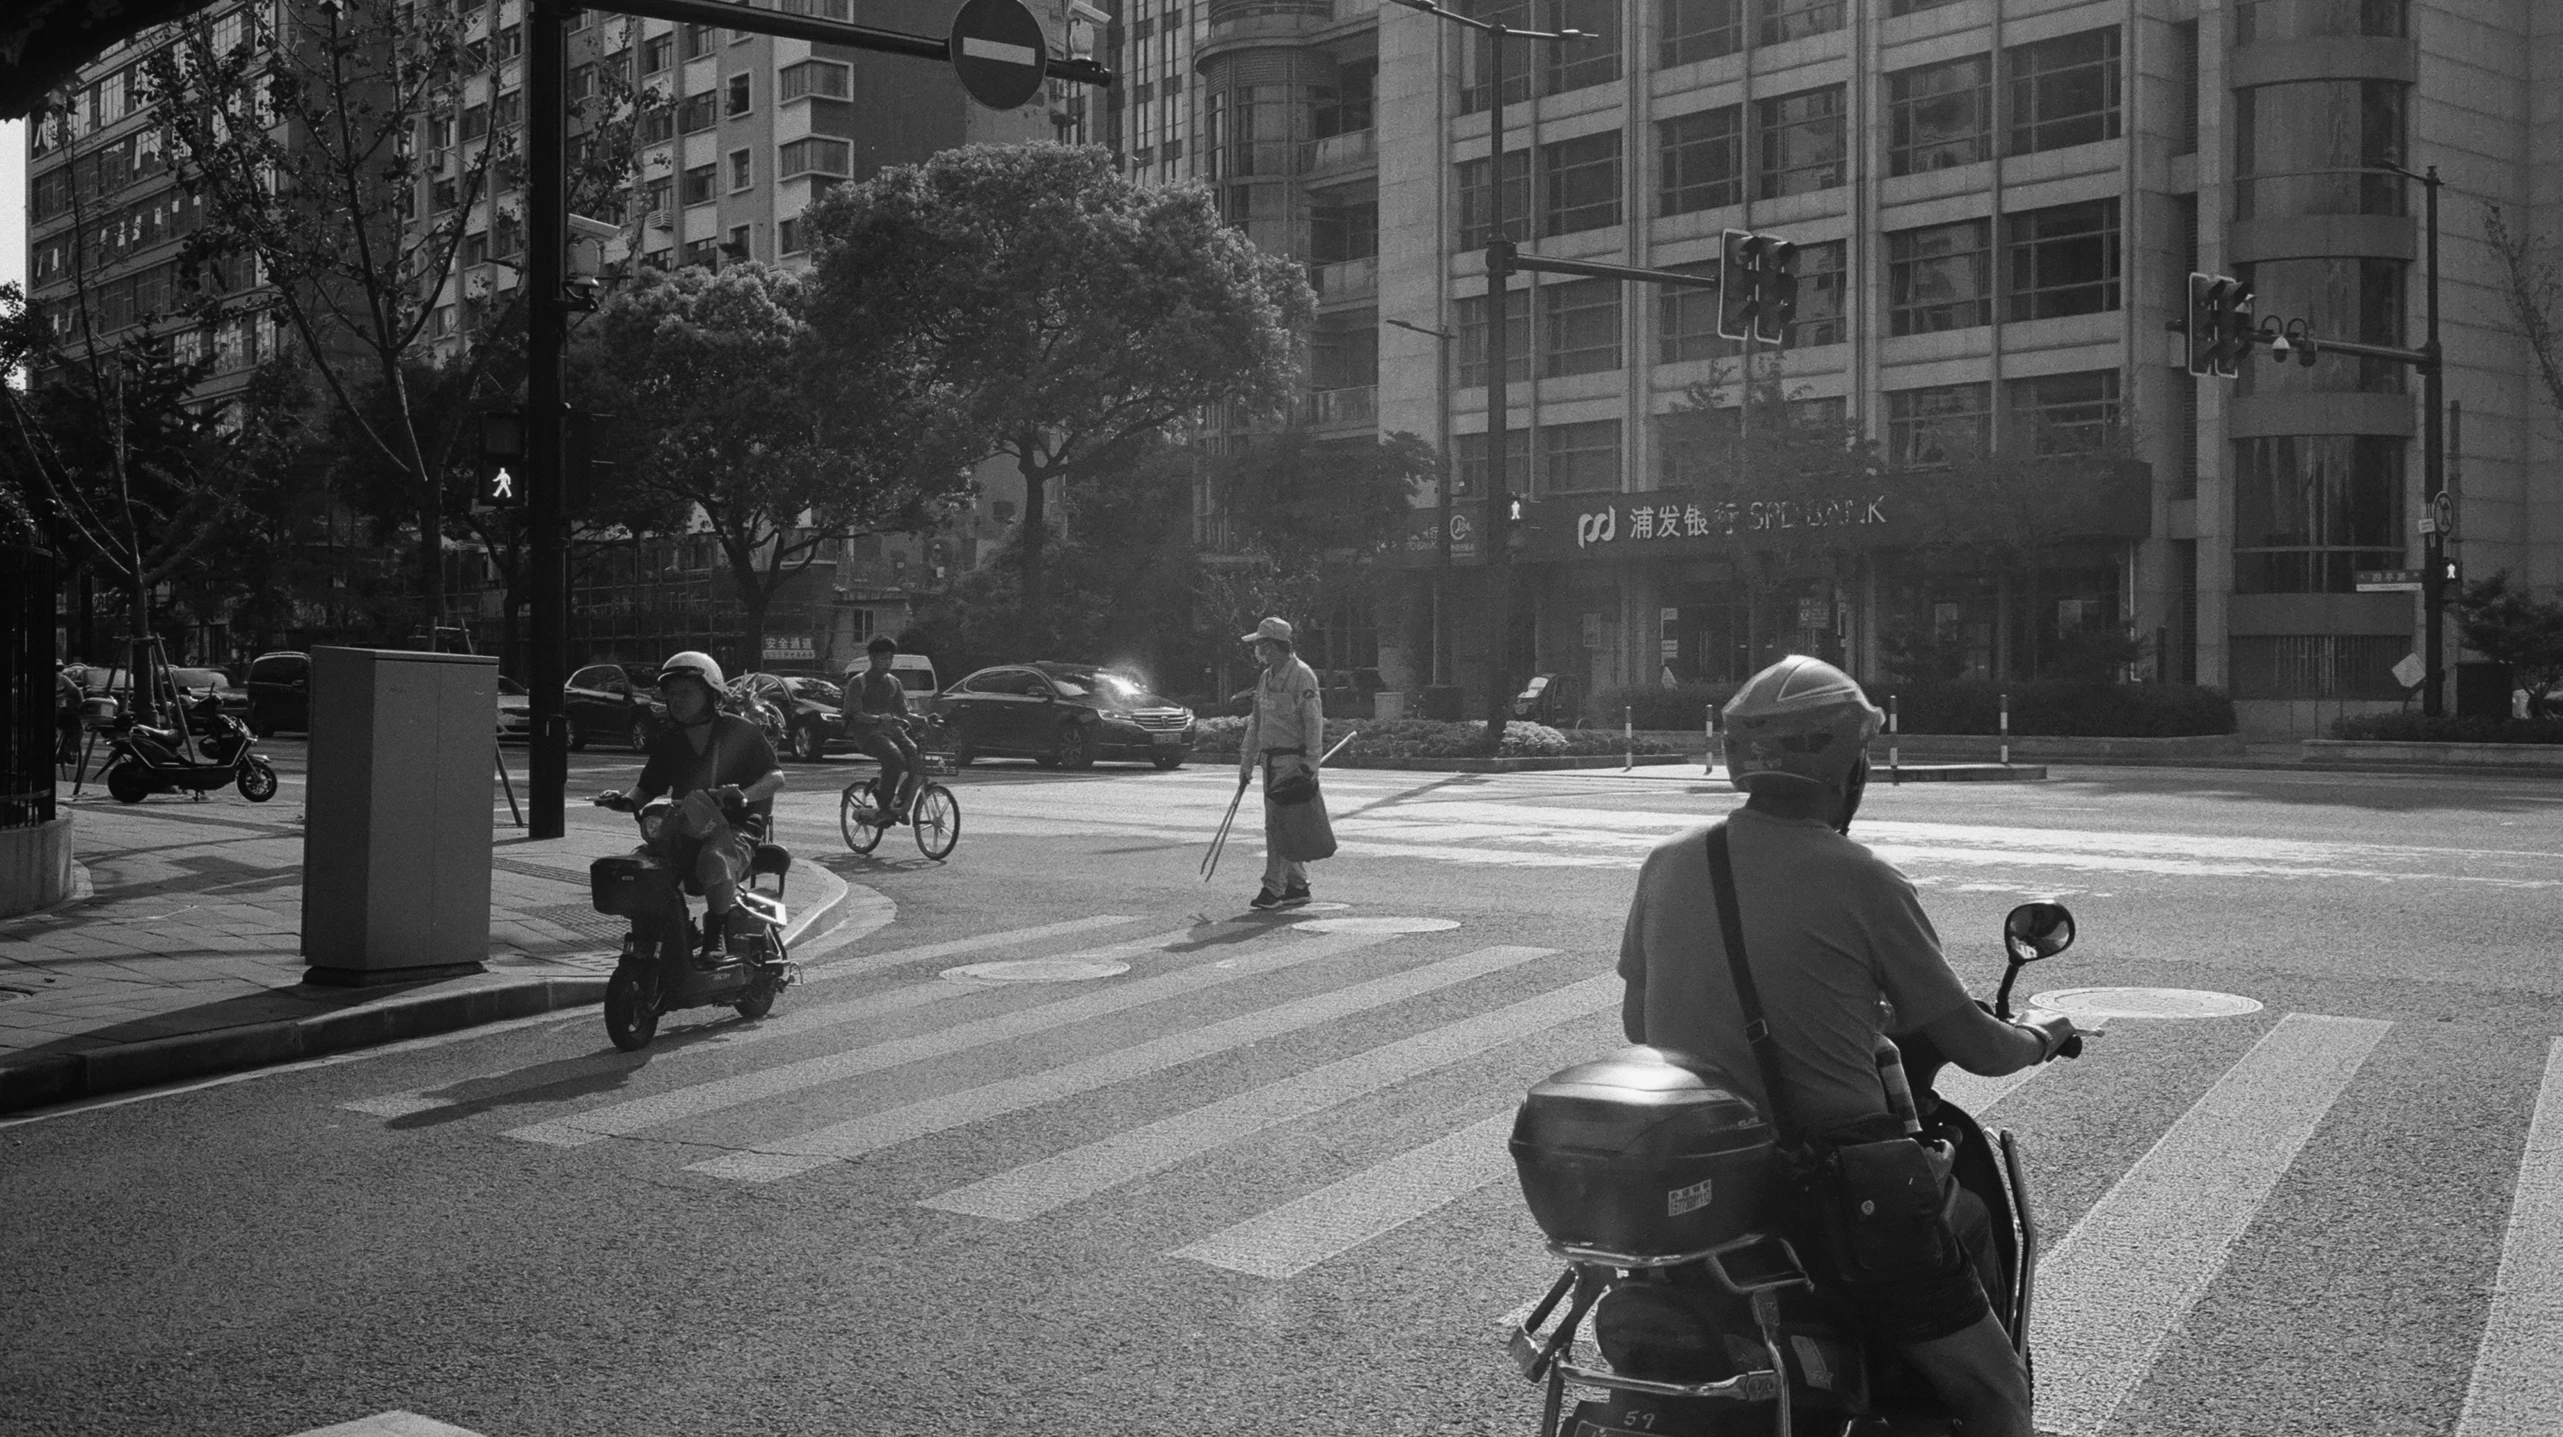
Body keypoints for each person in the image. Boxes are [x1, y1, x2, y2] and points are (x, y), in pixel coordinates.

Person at [1615, 655, 2078, 1437]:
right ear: (1848, 766)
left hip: (1714, 1194)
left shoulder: (1667, 863)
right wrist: (2043, 1034)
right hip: (1844, 1196)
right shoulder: (1861, 878)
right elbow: (1975, 1045)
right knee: (1996, 1390)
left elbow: (1639, 1022)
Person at [628, 651, 786, 965]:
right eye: (672, 694)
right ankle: (682, 930)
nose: (677, 700)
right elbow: (645, 788)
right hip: (687, 825)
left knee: (715, 859)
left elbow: (775, 777)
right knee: (640, 866)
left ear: (710, 693)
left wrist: (743, 794)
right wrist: (623, 799)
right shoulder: (670, 741)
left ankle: (715, 940)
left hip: (737, 828)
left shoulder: (741, 732)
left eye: (686, 692)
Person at [1235, 616, 1327, 910]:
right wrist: (1246, 761)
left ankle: (1272, 887)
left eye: (1261, 645)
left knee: (1278, 826)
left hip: (1292, 763)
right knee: (1283, 825)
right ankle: (1297, 885)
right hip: (1269, 762)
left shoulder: (1302, 676)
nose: (1258, 651)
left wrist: (1310, 765)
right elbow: (1256, 722)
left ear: (1274, 646)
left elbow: (1313, 724)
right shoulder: (1266, 678)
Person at [845, 635, 920, 820]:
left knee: (916, 758)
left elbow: (904, 713)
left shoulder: (894, 683)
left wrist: (925, 719)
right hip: (867, 734)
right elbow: (856, 714)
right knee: (895, 758)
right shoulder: (858, 682)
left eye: (890, 658)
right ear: (872, 659)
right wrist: (877, 718)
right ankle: (884, 805)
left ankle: (899, 802)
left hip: (892, 731)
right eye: (883, 658)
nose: (888, 663)